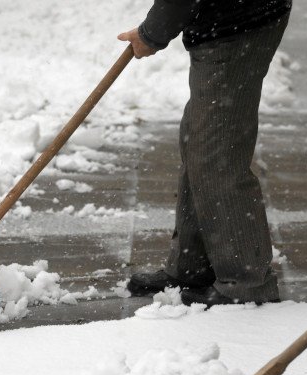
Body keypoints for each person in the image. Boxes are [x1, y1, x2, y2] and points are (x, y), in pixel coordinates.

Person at [119, 0, 291, 306]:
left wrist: (152, 33)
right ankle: (193, 265)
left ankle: (246, 284)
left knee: (216, 155)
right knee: (199, 144)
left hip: (236, 24)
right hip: (230, 19)